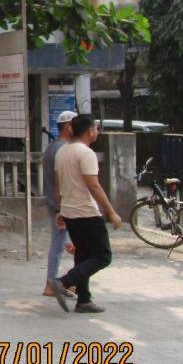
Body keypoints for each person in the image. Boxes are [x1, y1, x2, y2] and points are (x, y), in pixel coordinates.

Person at [48, 114, 122, 314]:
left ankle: (84, 300)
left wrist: (60, 209)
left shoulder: (62, 152)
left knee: (83, 255)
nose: (97, 131)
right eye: (96, 128)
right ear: (89, 131)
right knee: (103, 256)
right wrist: (112, 212)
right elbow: (94, 186)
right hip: (86, 212)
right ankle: (63, 281)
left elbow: (57, 185)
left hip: (70, 212)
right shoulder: (85, 153)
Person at [42, 111, 77, 297]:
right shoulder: (62, 149)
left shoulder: (53, 147)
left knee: (65, 243)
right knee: (58, 244)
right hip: (61, 205)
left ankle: (67, 282)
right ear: (68, 127)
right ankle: (51, 283)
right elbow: (59, 182)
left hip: (58, 203)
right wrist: (60, 208)